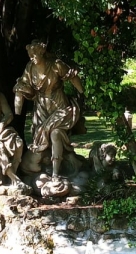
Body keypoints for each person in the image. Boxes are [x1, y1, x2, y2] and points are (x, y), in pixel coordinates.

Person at [13, 40, 84, 178]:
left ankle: (56, 173)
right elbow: (28, 88)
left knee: (55, 133)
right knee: (42, 141)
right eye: (30, 54)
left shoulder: (56, 65)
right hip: (41, 108)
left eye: (34, 54)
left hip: (60, 107)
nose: (31, 57)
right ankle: (47, 168)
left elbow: (72, 76)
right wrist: (22, 90)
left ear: (42, 52)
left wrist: (82, 93)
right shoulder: (30, 68)